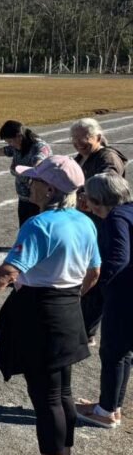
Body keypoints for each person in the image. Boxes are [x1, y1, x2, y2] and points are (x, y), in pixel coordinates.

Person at [0, 156, 100, 455]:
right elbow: (94, 273)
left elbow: (6, 274)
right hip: (68, 310)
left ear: (50, 189)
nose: (30, 185)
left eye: (36, 180)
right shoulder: (84, 222)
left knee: (47, 398)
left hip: (41, 316)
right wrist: (69, 297)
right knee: (62, 393)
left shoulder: (39, 225)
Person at [74, 174, 133, 429]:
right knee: (123, 353)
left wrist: (98, 284)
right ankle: (111, 405)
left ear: (98, 200)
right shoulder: (129, 210)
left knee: (113, 353)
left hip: (124, 296)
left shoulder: (115, 218)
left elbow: (118, 257)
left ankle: (106, 411)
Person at [70, 118, 127, 347]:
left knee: (97, 275)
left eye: (84, 139)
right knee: (87, 272)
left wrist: (84, 195)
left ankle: (87, 331)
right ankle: (82, 326)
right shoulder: (82, 155)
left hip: (103, 223)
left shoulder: (107, 158)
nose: (79, 144)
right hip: (89, 222)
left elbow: (108, 185)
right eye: (75, 140)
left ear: (98, 137)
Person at [0, 121, 52, 226]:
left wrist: (22, 169)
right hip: (24, 198)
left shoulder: (39, 147)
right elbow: (7, 150)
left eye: (10, 141)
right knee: (24, 229)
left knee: (37, 229)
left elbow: (39, 162)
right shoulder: (18, 145)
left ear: (19, 136)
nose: (10, 144)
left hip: (38, 199)